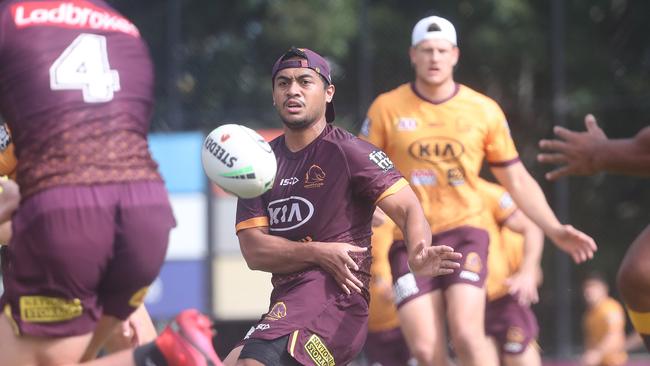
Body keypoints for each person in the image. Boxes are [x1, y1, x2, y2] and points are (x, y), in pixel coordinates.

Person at [361, 15, 596, 366]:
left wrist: (554, 228)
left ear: (455, 55)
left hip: (465, 233)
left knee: (468, 335)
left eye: (441, 50)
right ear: (412, 55)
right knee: (426, 350)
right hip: (410, 239)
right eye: (426, 51)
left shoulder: (483, 110)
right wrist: (370, 210)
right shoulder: (386, 108)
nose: (434, 58)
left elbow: (516, 179)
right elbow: (364, 174)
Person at [223, 46, 462, 366]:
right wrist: (319, 252)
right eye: (283, 83)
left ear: (328, 92)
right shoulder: (259, 163)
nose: (293, 90)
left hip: (338, 303)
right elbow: (254, 252)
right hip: (288, 305)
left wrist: (418, 253)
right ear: (274, 95)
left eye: (305, 81)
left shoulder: (350, 152)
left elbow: (408, 208)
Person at [0, 0, 178, 364]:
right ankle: (161, 355)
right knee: (126, 343)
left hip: (63, 221)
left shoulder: (12, 20)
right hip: (142, 210)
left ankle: (163, 354)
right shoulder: (122, 26)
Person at [538, 114, 650, 351]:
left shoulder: (608, 311)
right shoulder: (592, 315)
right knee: (637, 274)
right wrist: (603, 153)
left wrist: (605, 153)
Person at [479, 178, 544, 366]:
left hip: (505, 304)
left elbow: (535, 276)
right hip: (471, 307)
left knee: (519, 356)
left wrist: (525, 276)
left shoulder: (514, 235)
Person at [363, 215, 415, 366]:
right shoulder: (348, 229)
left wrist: (399, 288)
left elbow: (414, 258)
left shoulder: (393, 223)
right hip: (372, 329)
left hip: (403, 321)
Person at [581, 272, 628, 366]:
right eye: (586, 287)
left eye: (593, 287)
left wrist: (597, 353)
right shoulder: (588, 315)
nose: (589, 291)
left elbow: (615, 336)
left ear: (604, 289)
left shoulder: (610, 308)